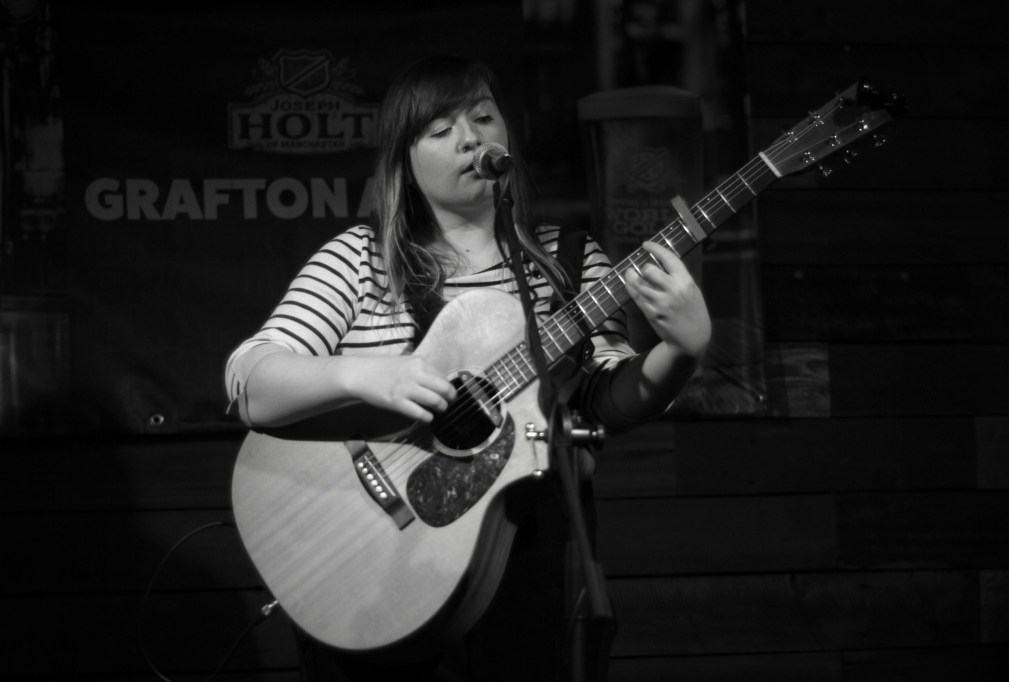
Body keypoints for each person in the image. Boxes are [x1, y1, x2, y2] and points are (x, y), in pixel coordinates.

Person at [225, 54, 711, 682]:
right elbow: (250, 381)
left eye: (482, 117)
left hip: (525, 562)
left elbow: (606, 405)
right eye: (439, 129)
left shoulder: (569, 262)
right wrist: (367, 376)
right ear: (403, 160)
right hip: (373, 566)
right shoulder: (360, 260)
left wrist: (679, 354)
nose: (469, 138)